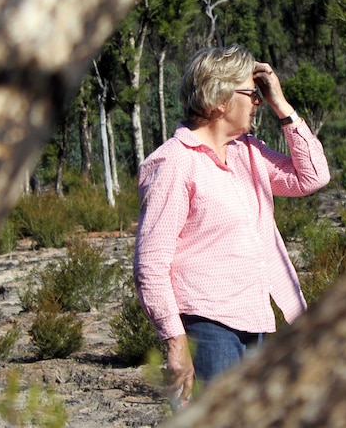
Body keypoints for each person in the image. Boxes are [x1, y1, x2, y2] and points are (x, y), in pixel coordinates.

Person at [133, 44, 330, 407]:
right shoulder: (174, 164)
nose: (257, 101)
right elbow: (150, 264)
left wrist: (281, 105)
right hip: (207, 325)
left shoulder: (247, 152)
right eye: (252, 93)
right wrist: (176, 344)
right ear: (220, 99)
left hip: (254, 317)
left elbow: (313, 177)